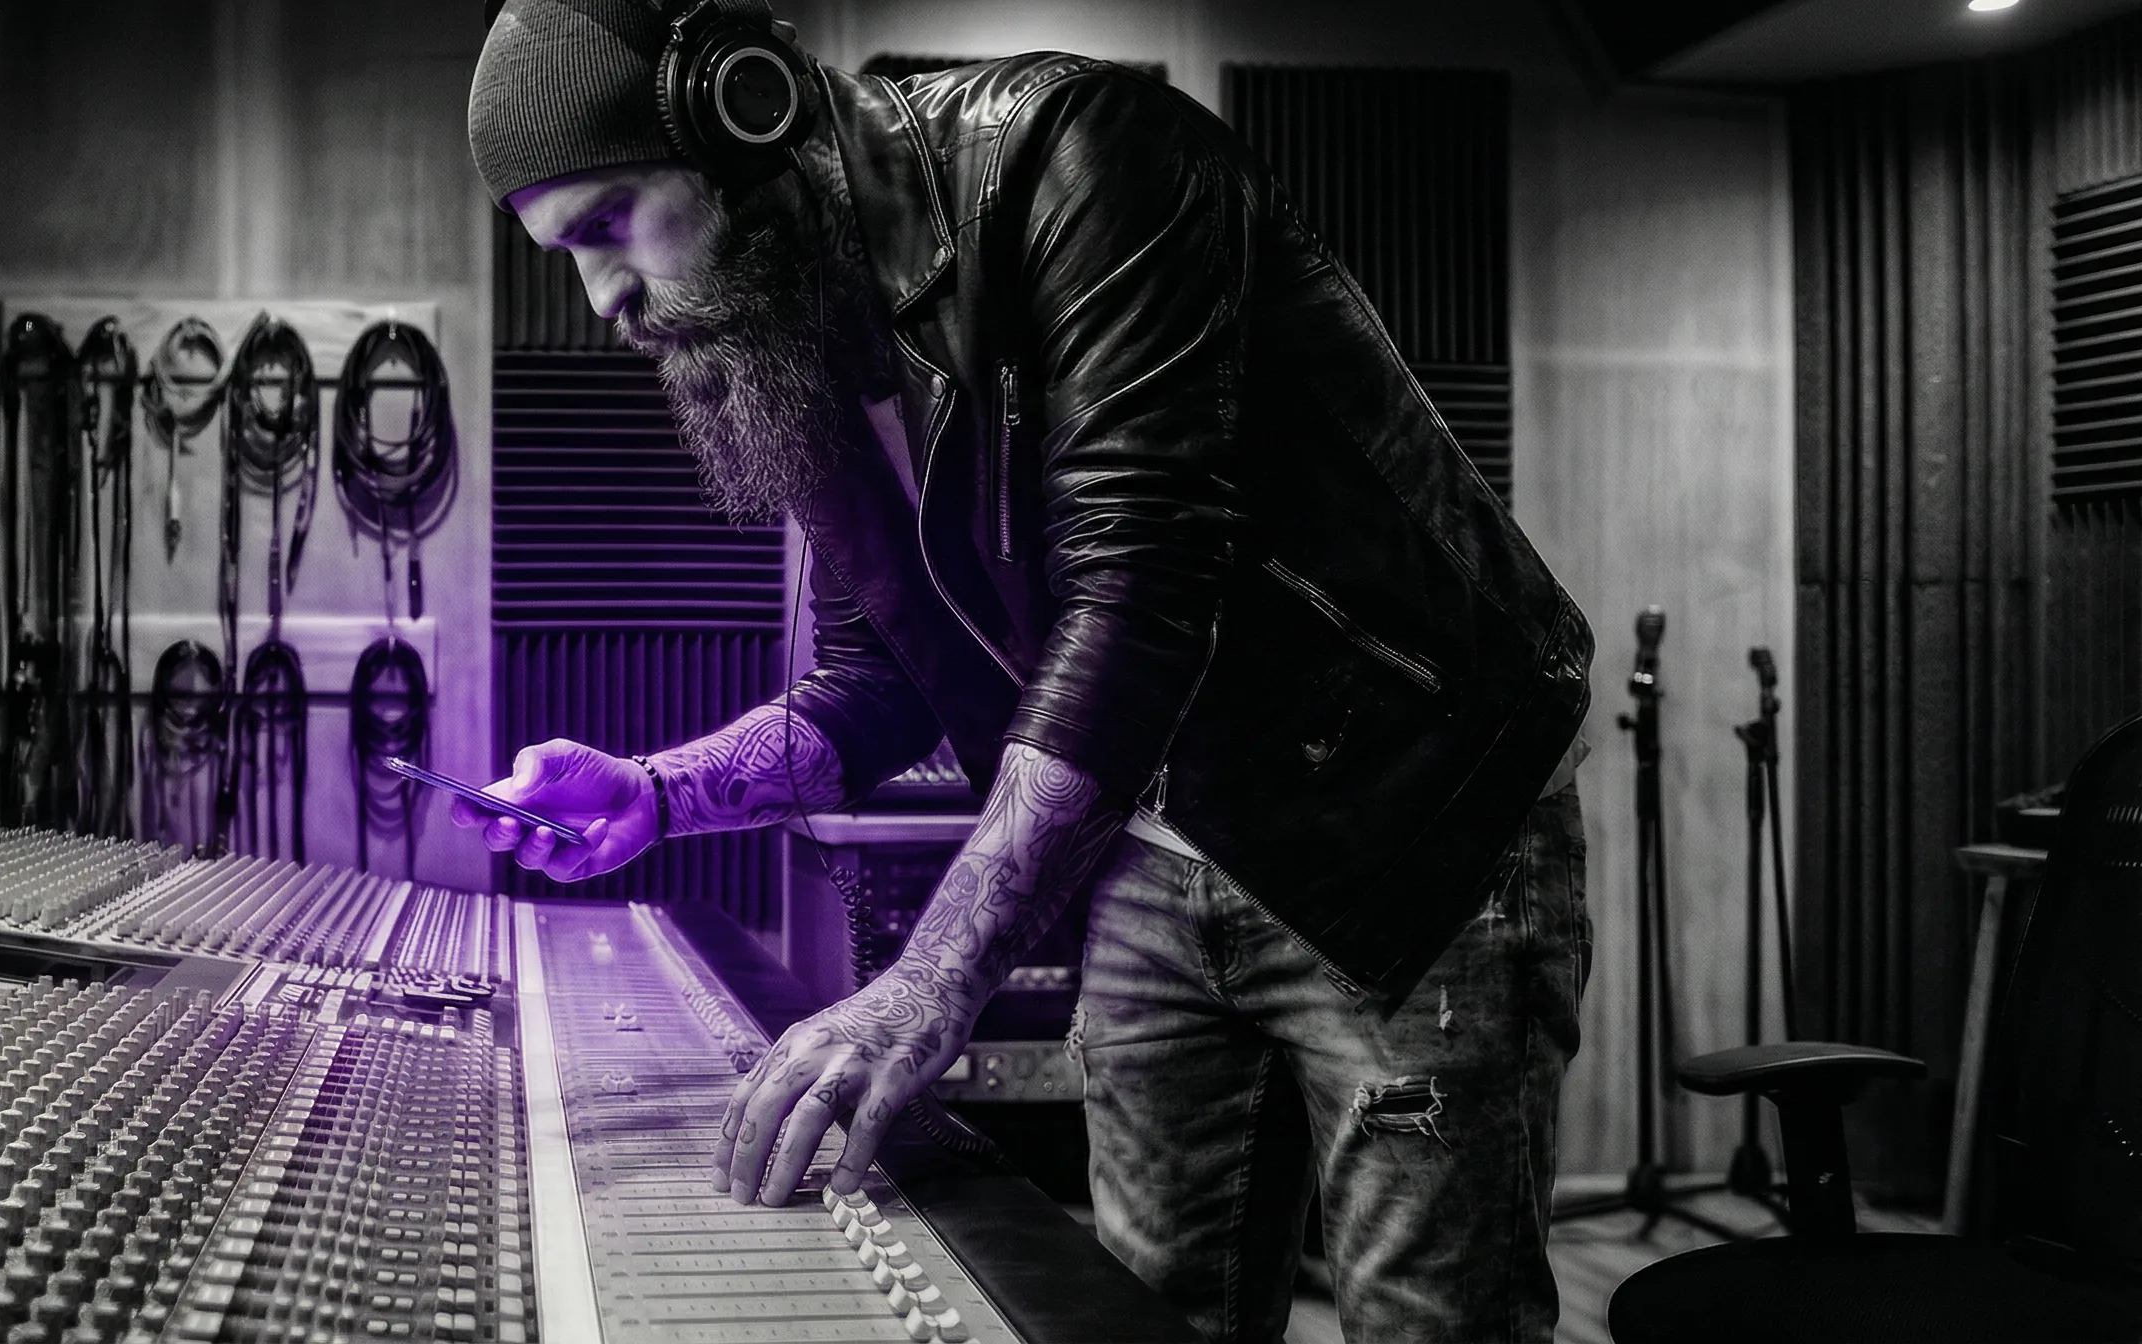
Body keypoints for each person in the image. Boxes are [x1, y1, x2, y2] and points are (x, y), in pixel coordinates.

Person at [456, 2, 1595, 1341]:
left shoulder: (1082, 153)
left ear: (744, 112)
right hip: (1155, 845)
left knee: (1431, 1324)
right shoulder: (802, 328)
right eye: (566, 255)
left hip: (1411, 824)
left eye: (609, 224)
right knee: (1146, 1318)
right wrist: (657, 794)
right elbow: (876, 685)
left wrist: (929, 984)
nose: (603, 298)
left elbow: (1141, 590)